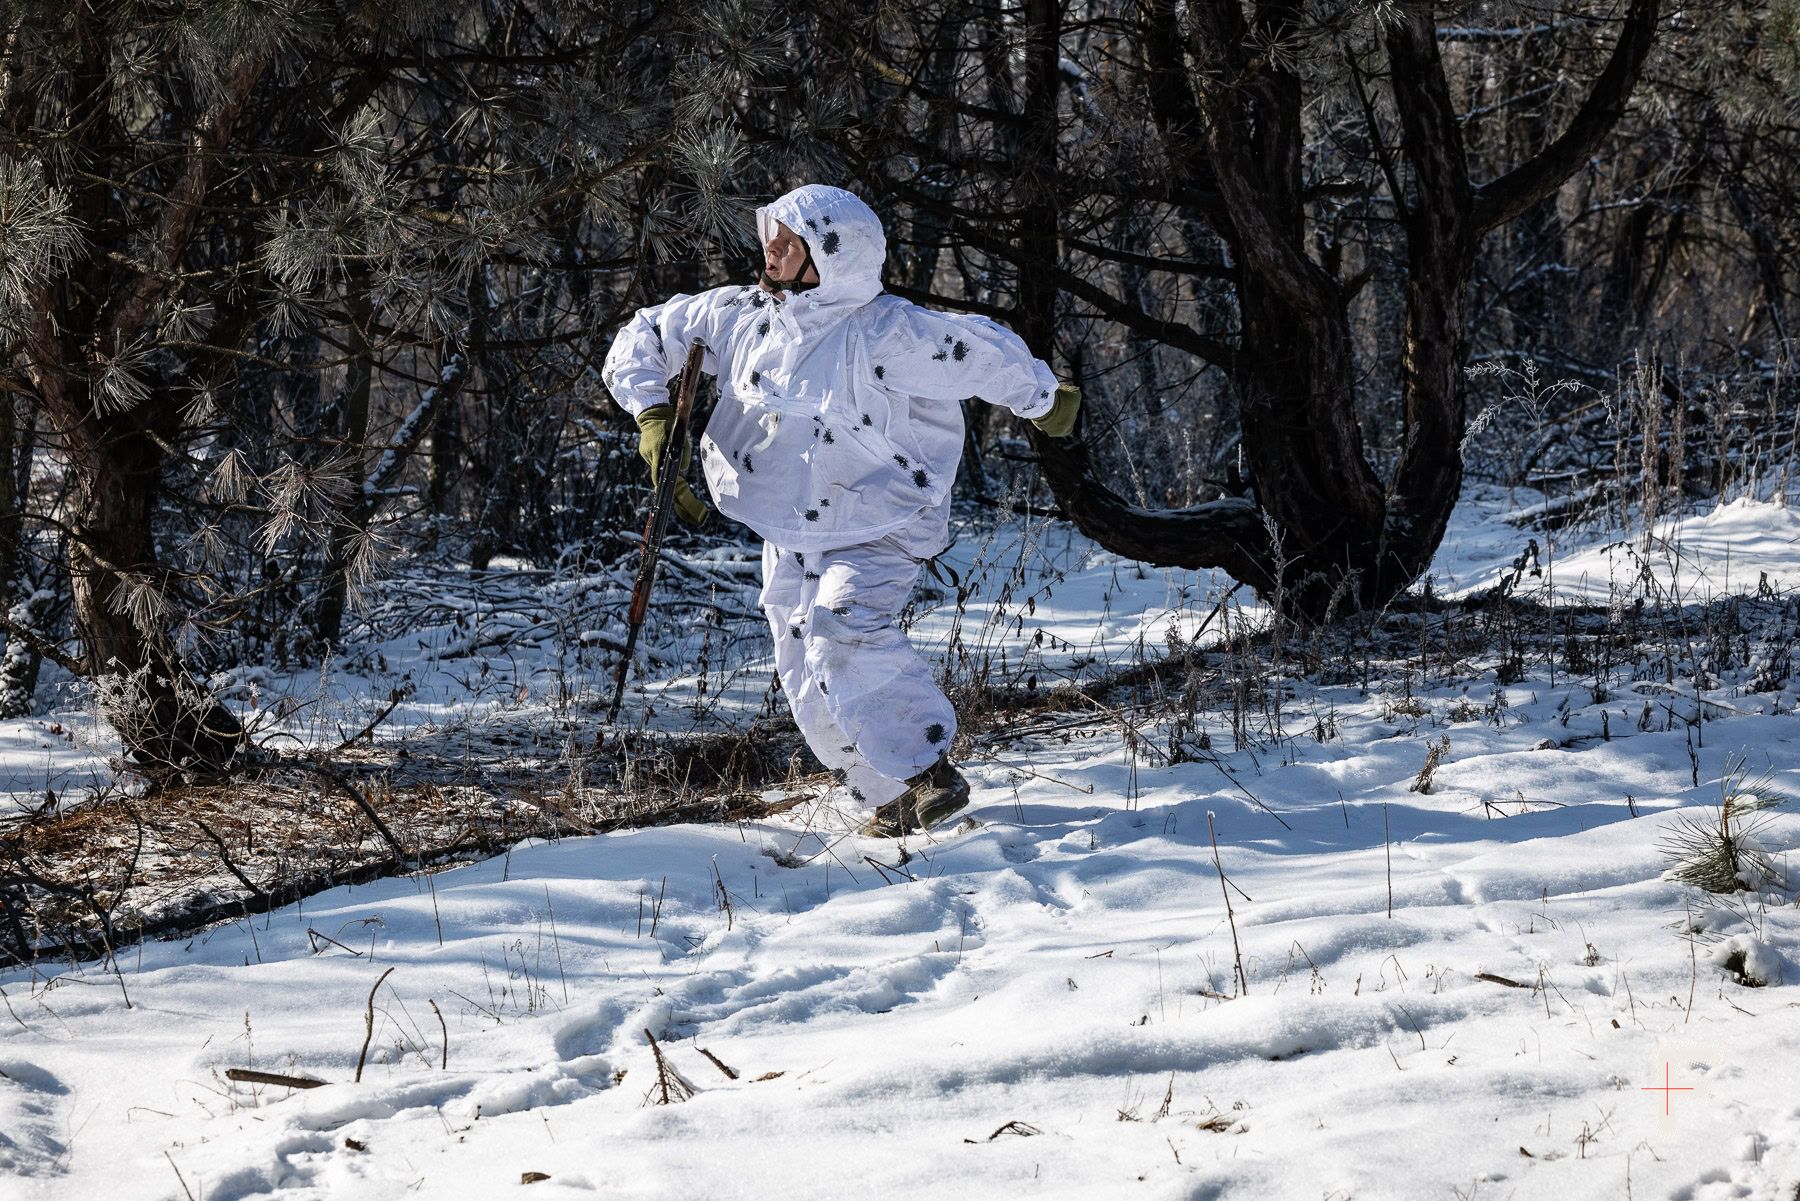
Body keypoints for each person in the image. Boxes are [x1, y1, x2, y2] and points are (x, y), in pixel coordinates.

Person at [603, 184, 1080, 836]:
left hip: (880, 521)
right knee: (802, 669)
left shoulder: (884, 330)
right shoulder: (740, 316)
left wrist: (1043, 398)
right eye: (771, 233)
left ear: (830, 253)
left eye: (789, 241)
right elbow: (647, 332)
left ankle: (928, 768)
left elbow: (974, 349)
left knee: (842, 629)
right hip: (790, 525)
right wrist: (654, 418)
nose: (770, 250)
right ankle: (891, 799)